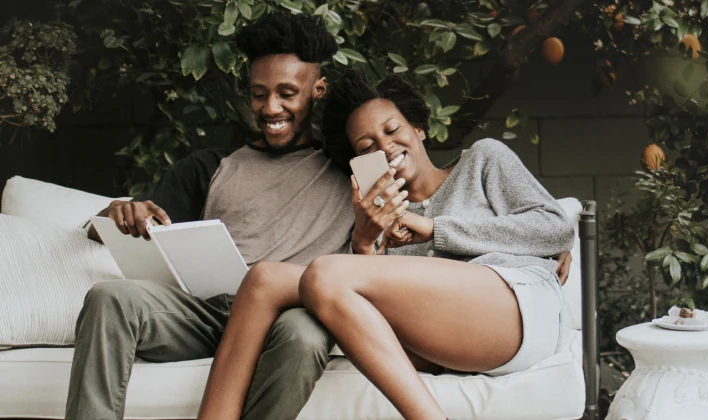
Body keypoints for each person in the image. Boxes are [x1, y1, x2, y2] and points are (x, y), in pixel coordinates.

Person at [197, 68, 576, 420]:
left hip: (517, 312)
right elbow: (354, 307)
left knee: (323, 273)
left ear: (419, 128)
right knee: (263, 279)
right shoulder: (376, 219)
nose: (385, 147)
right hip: (445, 344)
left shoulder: (481, 160)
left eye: (393, 130)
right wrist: (365, 241)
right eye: (367, 147)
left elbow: (555, 228)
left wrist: (432, 228)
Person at [65, 13, 355, 420]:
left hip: (287, 319)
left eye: (288, 93)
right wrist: (118, 210)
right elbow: (96, 232)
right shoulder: (210, 166)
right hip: (206, 313)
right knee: (109, 297)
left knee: (305, 335)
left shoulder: (349, 168)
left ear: (318, 90)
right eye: (259, 94)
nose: (271, 108)